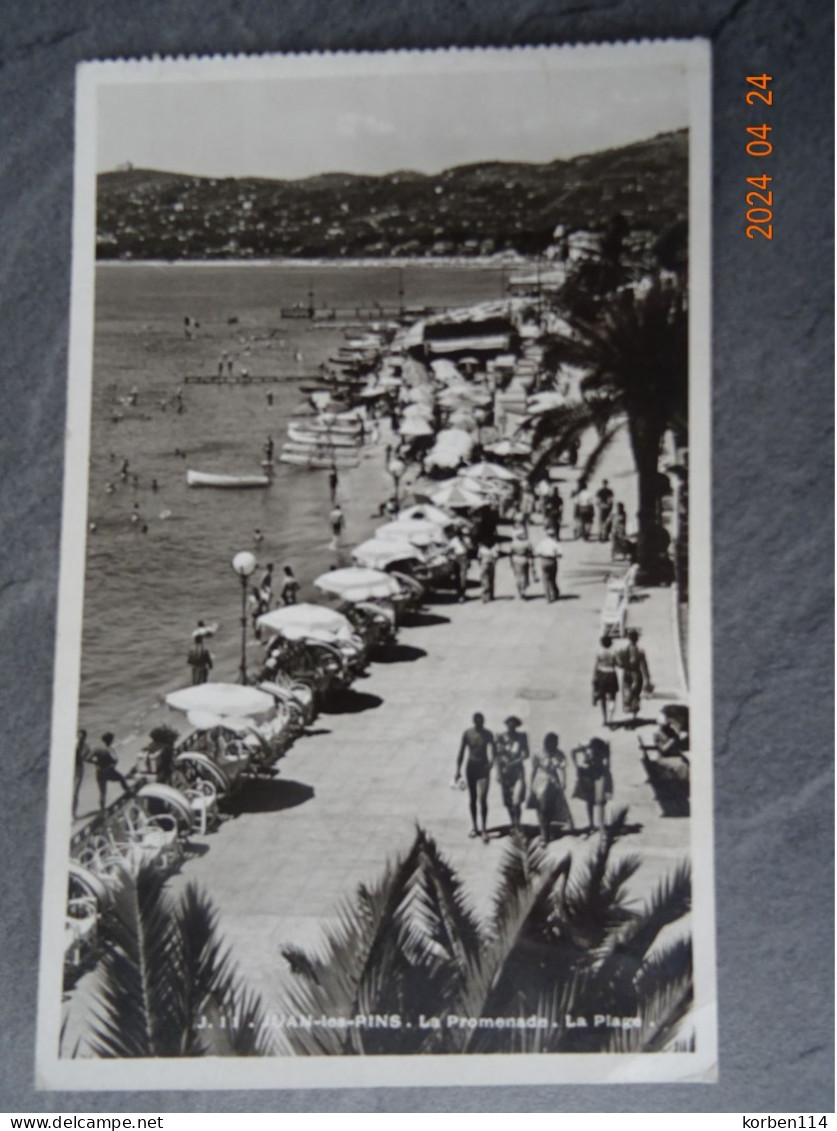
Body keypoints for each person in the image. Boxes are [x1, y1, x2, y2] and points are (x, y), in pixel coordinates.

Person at [454, 712, 495, 843]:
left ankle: (484, 829)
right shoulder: (467, 734)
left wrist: (491, 763)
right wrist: (457, 770)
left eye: (481, 721)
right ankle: (474, 827)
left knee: (483, 799)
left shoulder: (488, 734)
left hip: (483, 767)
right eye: (477, 721)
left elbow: (493, 750)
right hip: (471, 767)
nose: (480, 723)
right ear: (474, 722)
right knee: (472, 798)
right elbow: (461, 752)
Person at [528, 732, 573, 844]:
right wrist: (531, 784)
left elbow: (562, 769)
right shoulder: (538, 753)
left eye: (555, 743)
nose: (553, 745)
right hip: (540, 781)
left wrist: (563, 782)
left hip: (553, 781)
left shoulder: (559, 754)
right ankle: (544, 833)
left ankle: (546, 831)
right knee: (541, 807)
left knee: (549, 808)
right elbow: (534, 770)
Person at [494, 715, 530, 833]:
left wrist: (514, 763)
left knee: (517, 800)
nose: (511, 726)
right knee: (508, 801)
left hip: (518, 772)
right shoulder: (500, 737)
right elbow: (497, 756)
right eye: (510, 724)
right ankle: (513, 823)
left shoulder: (522, 737)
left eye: (514, 724)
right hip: (505, 773)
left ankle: (517, 823)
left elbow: (526, 754)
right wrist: (498, 772)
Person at [571, 737, 613, 833]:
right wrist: (576, 766)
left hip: (598, 772)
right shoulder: (587, 748)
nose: (593, 751)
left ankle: (600, 824)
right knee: (589, 800)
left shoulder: (602, 750)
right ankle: (592, 824)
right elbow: (573, 751)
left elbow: (607, 764)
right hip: (588, 773)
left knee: (600, 800)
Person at [617, 629, 653, 723]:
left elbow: (619, 663)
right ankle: (634, 715)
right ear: (637, 639)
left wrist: (625, 665)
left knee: (627, 692)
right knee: (636, 694)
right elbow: (644, 666)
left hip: (627, 673)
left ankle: (630, 711)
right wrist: (647, 679)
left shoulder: (622, 650)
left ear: (629, 639)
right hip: (636, 674)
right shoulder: (640, 651)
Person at [90, 732, 131, 811]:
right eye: (112, 739)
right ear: (110, 740)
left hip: (100, 772)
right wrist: (111, 766)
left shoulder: (96, 749)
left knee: (102, 792)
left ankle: (102, 809)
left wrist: (96, 763)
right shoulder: (110, 749)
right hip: (109, 772)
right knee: (122, 778)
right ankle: (129, 793)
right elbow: (116, 760)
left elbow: (88, 758)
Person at [592, 634, 619, 726]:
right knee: (612, 697)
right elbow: (618, 663)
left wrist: (594, 677)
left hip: (601, 674)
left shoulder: (599, 652)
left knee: (602, 698)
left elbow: (596, 666)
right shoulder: (614, 653)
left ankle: (605, 719)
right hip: (611, 674)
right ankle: (611, 717)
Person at [534, 530, 563, 603]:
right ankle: (555, 593)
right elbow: (560, 554)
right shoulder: (555, 543)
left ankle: (548, 597)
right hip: (552, 561)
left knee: (545, 579)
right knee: (553, 578)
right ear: (553, 535)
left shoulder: (542, 543)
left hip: (544, 561)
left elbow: (536, 553)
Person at [508, 528, 537, 599]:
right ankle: (523, 590)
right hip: (524, 559)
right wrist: (532, 563)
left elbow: (510, 554)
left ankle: (519, 590)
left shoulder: (513, 543)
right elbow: (531, 553)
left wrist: (511, 562)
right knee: (524, 575)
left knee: (517, 576)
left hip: (516, 559)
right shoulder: (527, 543)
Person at [73, 729, 91, 818]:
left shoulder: (85, 747)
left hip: (78, 770)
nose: (80, 738)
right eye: (78, 736)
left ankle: (73, 814)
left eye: (81, 736)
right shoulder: (74, 745)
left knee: (75, 793)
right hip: (71, 769)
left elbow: (82, 758)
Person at [447, 530, 470, 602]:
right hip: (456, 558)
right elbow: (449, 550)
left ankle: (462, 594)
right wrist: (451, 557)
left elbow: (469, 549)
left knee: (463, 576)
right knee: (457, 577)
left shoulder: (466, 540)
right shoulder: (454, 541)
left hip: (464, 558)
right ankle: (459, 593)